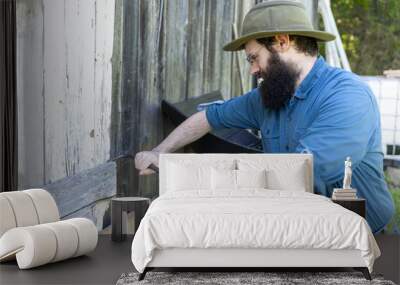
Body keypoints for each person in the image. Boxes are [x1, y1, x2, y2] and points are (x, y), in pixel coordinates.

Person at [134, 0, 394, 233]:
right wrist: (161, 151)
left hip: (360, 234)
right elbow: (208, 118)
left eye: (254, 58)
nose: (253, 69)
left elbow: (303, 172)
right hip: (296, 226)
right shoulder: (268, 96)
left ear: (282, 41)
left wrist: (203, 177)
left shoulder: (347, 96)